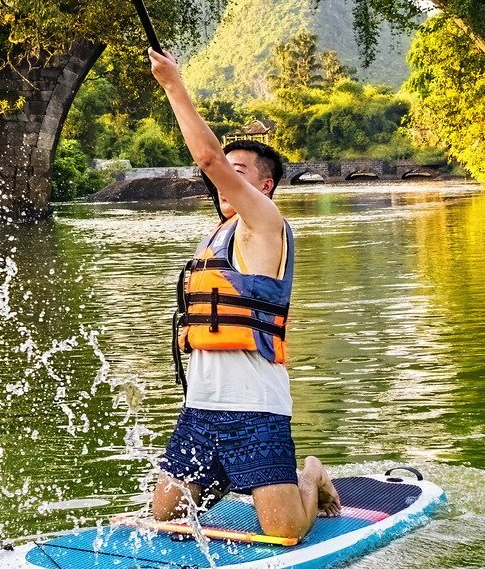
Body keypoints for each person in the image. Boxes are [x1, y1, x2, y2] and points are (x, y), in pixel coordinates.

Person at [145, 46, 339, 540]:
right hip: (202, 409)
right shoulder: (214, 236)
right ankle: (229, 477)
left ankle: (310, 475)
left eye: (240, 170)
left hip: (256, 409)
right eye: (226, 169)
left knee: (284, 532)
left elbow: (208, 157)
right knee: (164, 520)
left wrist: (173, 84)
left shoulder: (266, 226)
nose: (226, 174)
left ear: (266, 185)